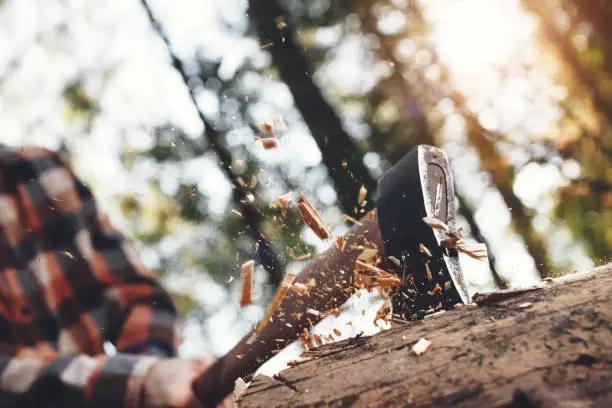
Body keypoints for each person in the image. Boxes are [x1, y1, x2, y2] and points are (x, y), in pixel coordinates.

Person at [0, 144, 460, 408]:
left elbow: (139, 298)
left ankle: (400, 245)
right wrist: (140, 383)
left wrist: (157, 370)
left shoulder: (37, 172)